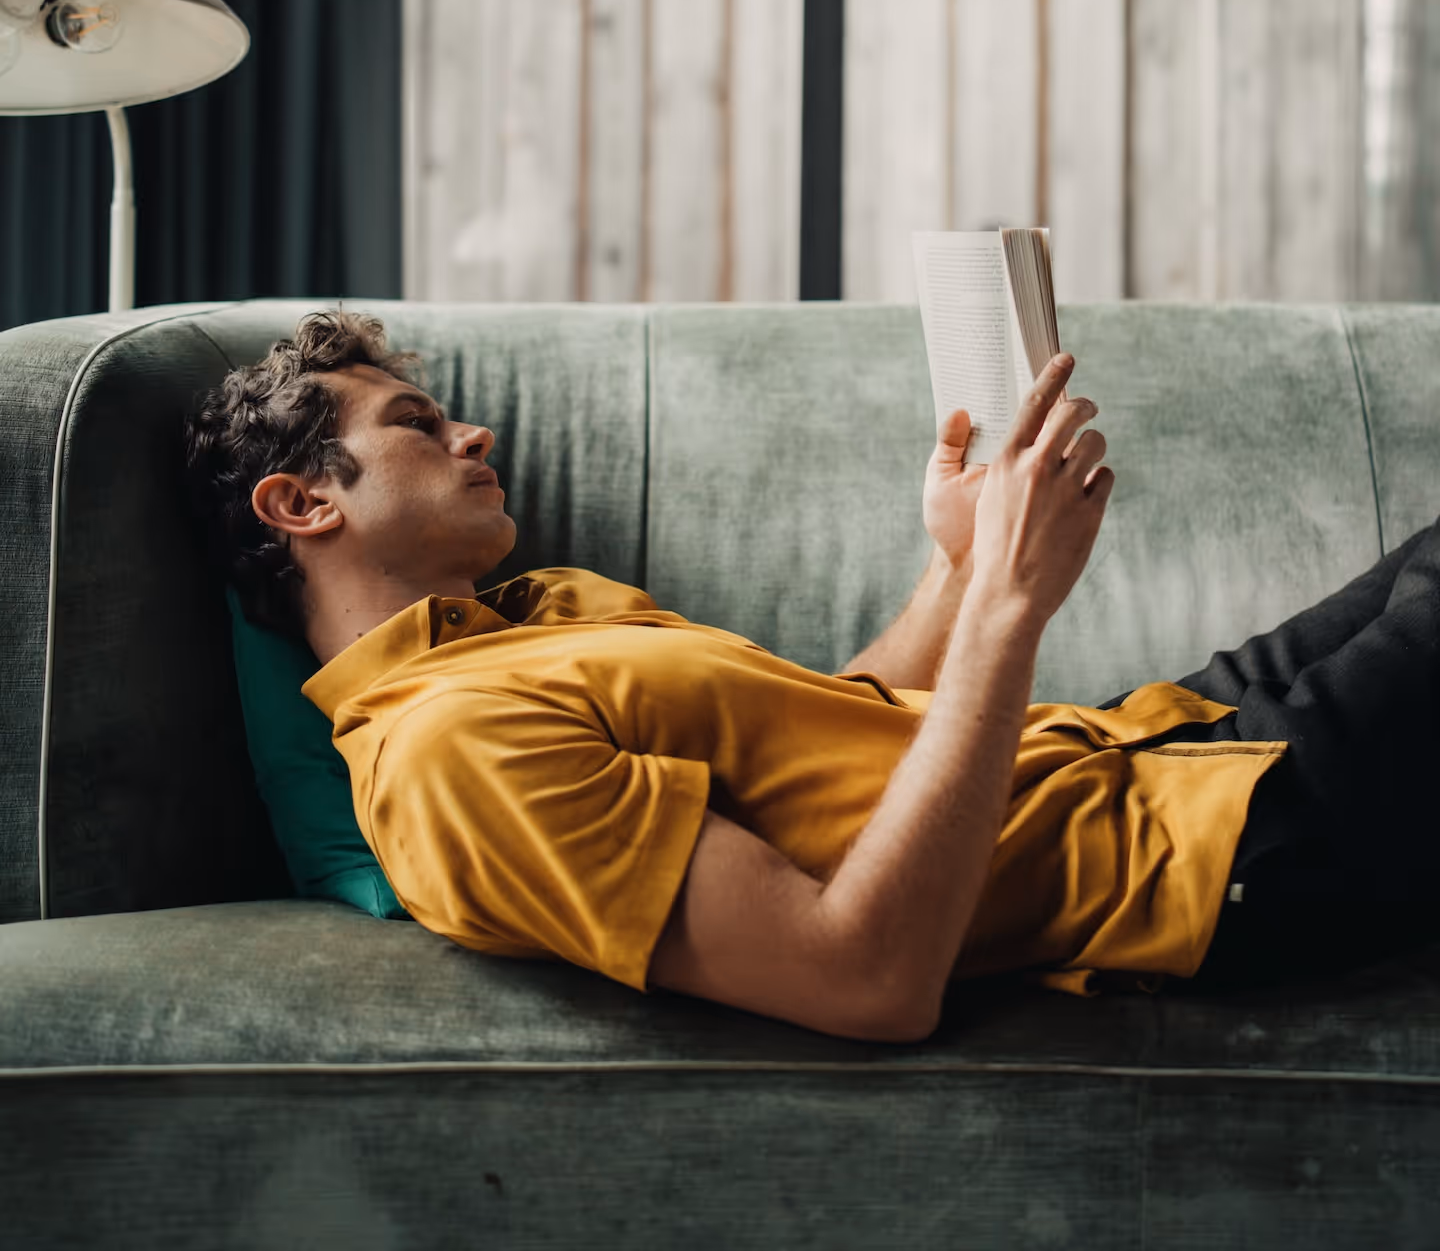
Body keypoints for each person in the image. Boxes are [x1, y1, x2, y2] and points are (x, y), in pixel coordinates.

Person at [182, 310, 1440, 1043]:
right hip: (1204, 862)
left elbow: (826, 749)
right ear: (300, 504)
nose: (473, 433)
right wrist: (1009, 606)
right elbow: (861, 973)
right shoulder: (449, 757)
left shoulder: (533, 616)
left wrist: (953, 576)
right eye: (414, 423)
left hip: (1165, 744)